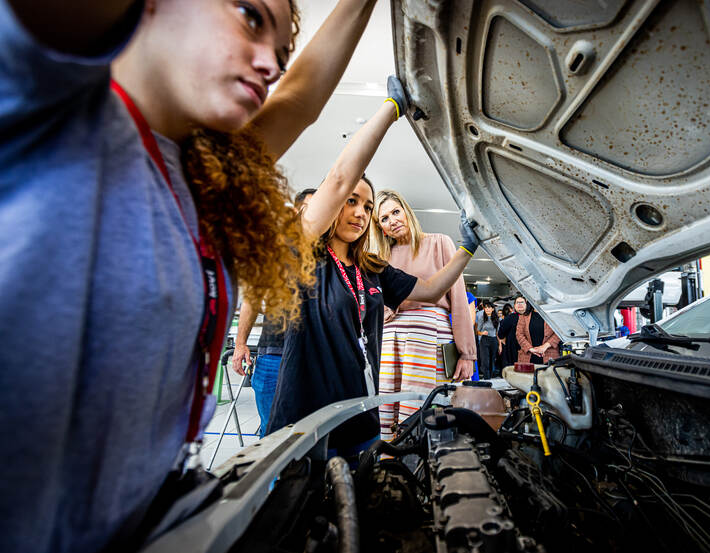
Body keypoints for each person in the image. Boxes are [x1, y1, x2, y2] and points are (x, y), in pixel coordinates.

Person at [0, 1, 382, 551]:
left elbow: (299, 100)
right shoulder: (52, 104)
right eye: (251, 17)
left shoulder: (207, 183)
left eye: (280, 52)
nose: (271, 65)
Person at [267, 99, 482, 454]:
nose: (361, 213)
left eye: (367, 207)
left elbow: (430, 290)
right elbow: (338, 177)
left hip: (360, 414)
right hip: (307, 417)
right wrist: (391, 109)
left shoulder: (372, 268)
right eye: (352, 201)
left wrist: (468, 248)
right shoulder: (307, 253)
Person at [372, 190, 476, 441]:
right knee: (388, 406)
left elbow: (459, 299)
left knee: (427, 405)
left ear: (407, 211)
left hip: (430, 335)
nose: (392, 220)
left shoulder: (439, 242)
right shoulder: (381, 258)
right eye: (384, 218)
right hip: (391, 339)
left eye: (395, 212)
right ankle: (391, 462)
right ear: (381, 228)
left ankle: (427, 460)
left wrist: (466, 353)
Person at [233, 188, 316, 437]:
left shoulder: (331, 252)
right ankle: (272, 478)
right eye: (311, 208)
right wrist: (240, 343)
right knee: (272, 436)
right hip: (274, 355)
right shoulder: (277, 251)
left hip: (313, 358)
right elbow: (253, 297)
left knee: (311, 437)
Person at [515, 295, 561, 364]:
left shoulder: (552, 316)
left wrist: (544, 347)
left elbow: (558, 333)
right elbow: (519, 334)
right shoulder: (523, 316)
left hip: (549, 354)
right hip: (528, 356)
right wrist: (531, 349)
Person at [476, 301, 500, 378]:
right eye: (485, 307)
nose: (487, 309)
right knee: (485, 360)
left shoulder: (496, 319)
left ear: (492, 309)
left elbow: (497, 333)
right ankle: (486, 377)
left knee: (492, 360)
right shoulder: (482, 318)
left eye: (489, 307)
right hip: (484, 340)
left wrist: (500, 345)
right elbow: (477, 332)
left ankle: (490, 377)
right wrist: (482, 333)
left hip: (493, 340)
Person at [498, 302, 520, 367]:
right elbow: (501, 332)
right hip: (513, 345)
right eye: (518, 303)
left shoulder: (507, 318)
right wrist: (502, 340)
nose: (520, 305)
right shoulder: (511, 318)